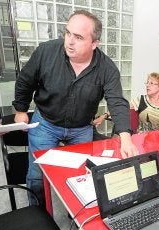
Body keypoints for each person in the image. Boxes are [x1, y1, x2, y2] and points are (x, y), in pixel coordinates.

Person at [12, 10, 138, 206]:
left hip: (81, 128)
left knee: (81, 175)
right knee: (37, 177)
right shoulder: (46, 52)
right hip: (45, 122)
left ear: (94, 44)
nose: (69, 41)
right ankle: (38, 215)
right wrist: (20, 110)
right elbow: (25, 81)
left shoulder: (107, 68)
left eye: (78, 37)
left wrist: (125, 136)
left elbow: (117, 101)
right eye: (68, 33)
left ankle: (76, 215)